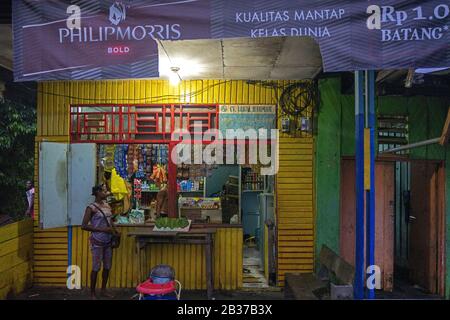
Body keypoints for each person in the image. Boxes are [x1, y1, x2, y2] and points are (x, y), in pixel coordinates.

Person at [81, 184, 119, 299]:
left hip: (108, 242)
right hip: (97, 241)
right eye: (104, 191)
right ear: (97, 192)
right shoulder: (91, 207)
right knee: (96, 268)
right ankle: (92, 293)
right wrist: (102, 229)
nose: (106, 193)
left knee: (107, 267)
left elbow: (110, 220)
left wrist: (115, 230)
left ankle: (103, 290)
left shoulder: (107, 205)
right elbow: (83, 226)